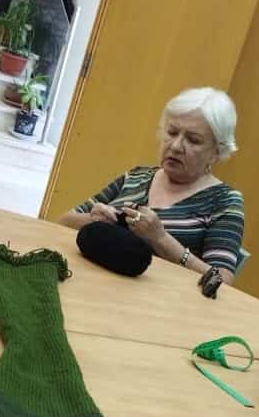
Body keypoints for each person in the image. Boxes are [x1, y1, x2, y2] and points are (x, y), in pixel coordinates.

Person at [59, 87, 245, 284]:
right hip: (89, 281)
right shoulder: (136, 176)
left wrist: (160, 239)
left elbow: (221, 282)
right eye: (172, 132)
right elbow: (62, 222)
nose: (175, 146)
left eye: (193, 140)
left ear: (217, 152)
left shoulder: (224, 201)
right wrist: (93, 220)